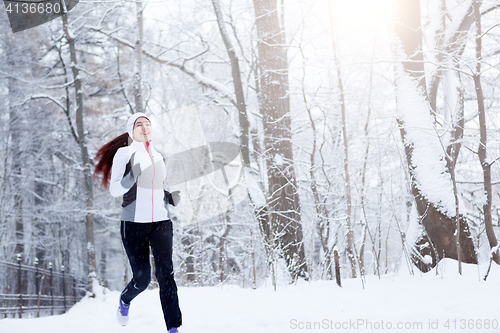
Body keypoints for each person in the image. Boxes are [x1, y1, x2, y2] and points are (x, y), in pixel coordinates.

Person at [94, 113, 182, 333]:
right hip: (134, 224)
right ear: (131, 131)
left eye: (147, 124)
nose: (144, 128)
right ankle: (125, 300)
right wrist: (131, 175)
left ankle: (174, 327)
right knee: (142, 279)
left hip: (161, 222)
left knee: (166, 275)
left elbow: (155, 186)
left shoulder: (159, 155)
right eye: (139, 125)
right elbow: (115, 189)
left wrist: (168, 196)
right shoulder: (125, 153)